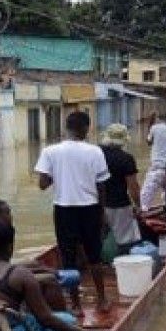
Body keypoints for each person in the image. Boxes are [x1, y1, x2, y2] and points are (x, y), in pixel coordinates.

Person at [35, 111, 112, 314]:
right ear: (86, 128)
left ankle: (76, 306)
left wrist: (59, 175)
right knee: (94, 256)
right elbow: (102, 186)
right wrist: (102, 214)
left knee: (68, 258)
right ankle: (102, 300)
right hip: (90, 208)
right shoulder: (95, 151)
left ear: (67, 128)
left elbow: (42, 184)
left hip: (63, 210)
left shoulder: (50, 151)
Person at [98, 123, 143, 251]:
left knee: (98, 237)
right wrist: (138, 206)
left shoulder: (95, 153)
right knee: (126, 240)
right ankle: (124, 265)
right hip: (119, 205)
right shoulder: (126, 158)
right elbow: (133, 186)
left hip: (95, 203)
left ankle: (97, 264)